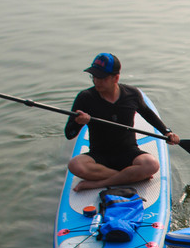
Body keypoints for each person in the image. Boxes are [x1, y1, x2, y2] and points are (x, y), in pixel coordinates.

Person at [64, 53, 181, 191]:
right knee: (75, 165)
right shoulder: (85, 98)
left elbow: (148, 114)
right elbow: (69, 134)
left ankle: (98, 183)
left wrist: (167, 132)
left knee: (152, 164)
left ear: (116, 78)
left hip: (128, 152)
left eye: (102, 78)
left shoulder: (132, 94)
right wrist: (79, 122)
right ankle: (129, 176)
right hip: (99, 155)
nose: (96, 81)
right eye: (94, 76)